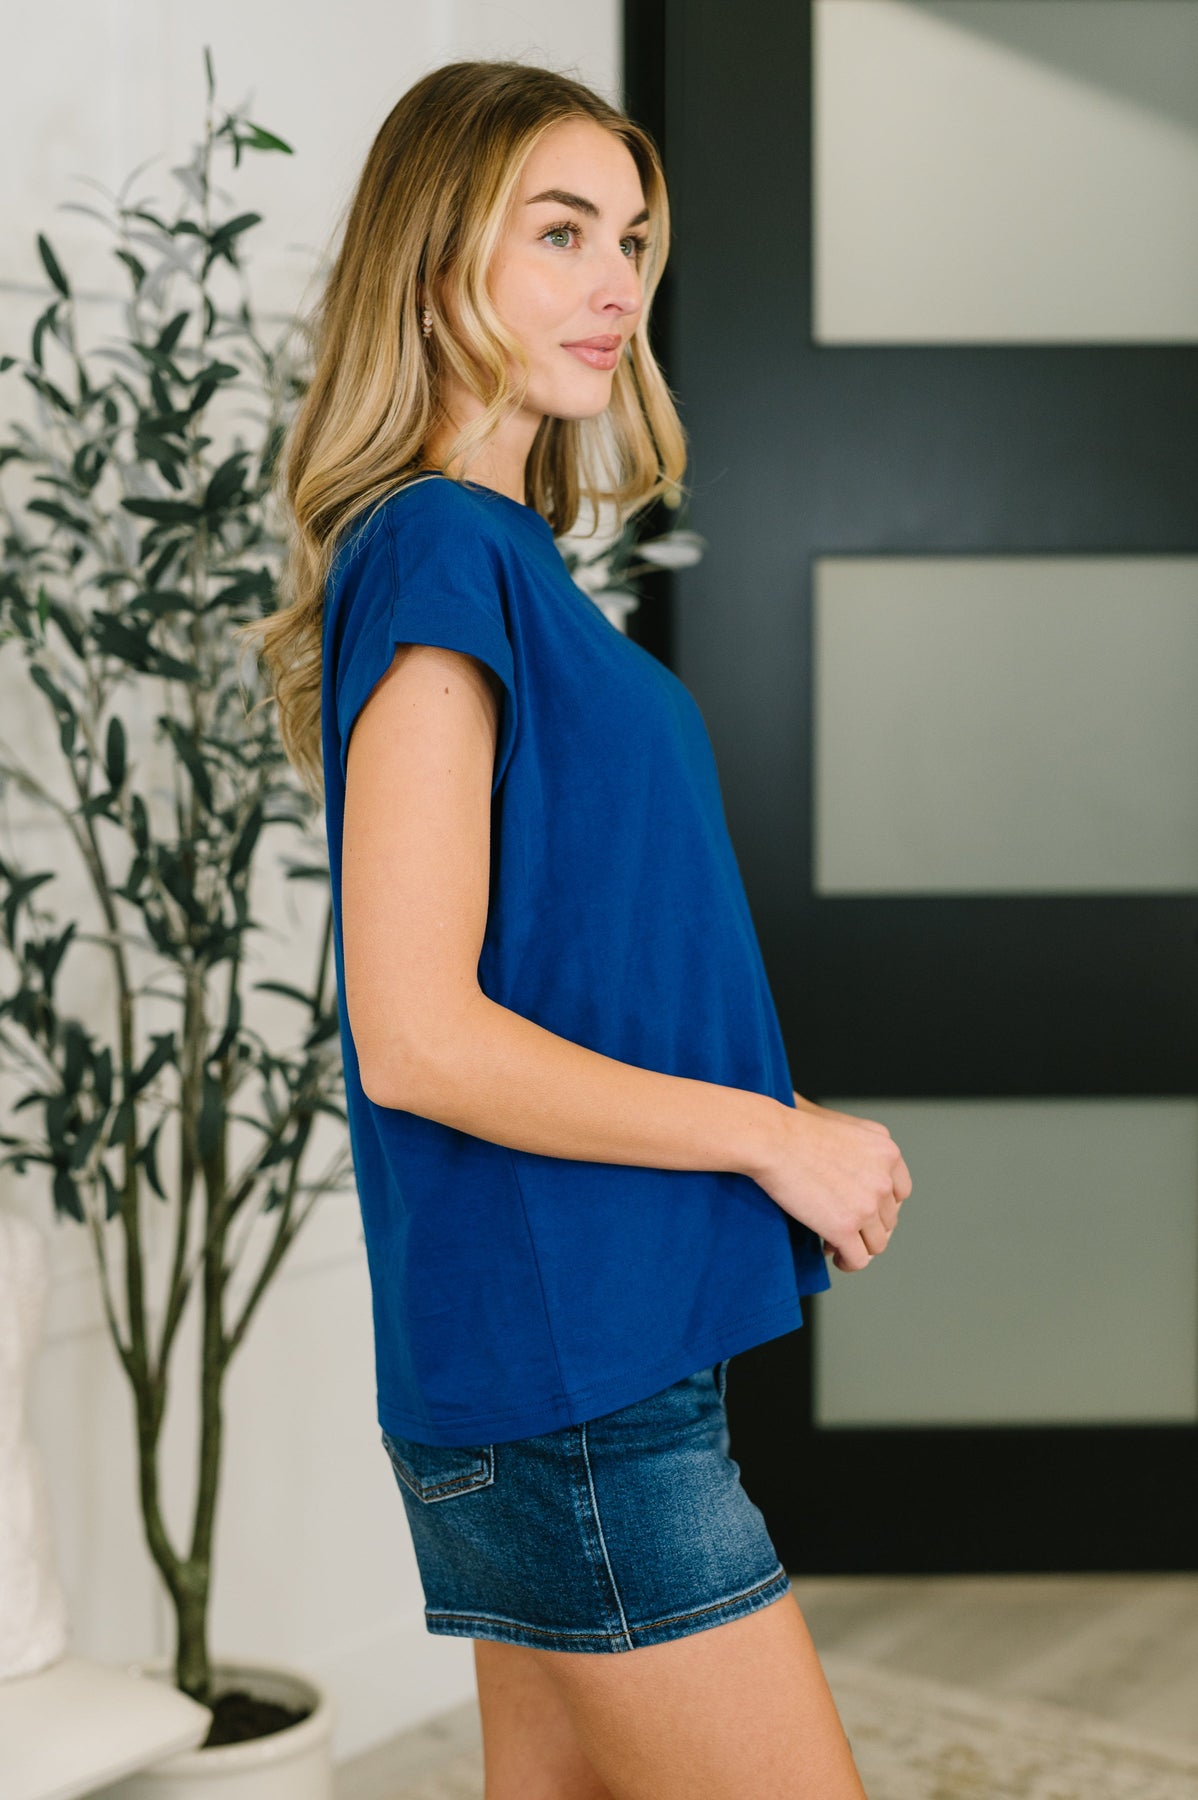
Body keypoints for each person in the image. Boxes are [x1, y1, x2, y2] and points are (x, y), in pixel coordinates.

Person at [246, 57, 910, 1800]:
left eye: (628, 239)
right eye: (559, 232)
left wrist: (767, 1125)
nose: (615, 281)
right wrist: (774, 1139)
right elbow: (420, 1035)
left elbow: (549, 970)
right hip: (575, 1381)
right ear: (430, 261)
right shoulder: (439, 552)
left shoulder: (493, 555)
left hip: (572, 1363)